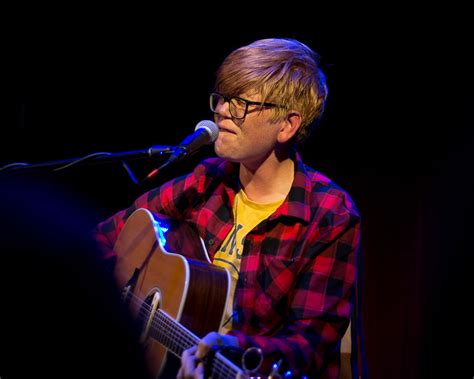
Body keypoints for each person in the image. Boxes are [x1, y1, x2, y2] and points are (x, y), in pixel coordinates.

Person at [92, 38, 361, 378]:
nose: (221, 111)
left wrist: (242, 351)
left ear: (287, 125)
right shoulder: (207, 181)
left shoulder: (329, 214)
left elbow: (310, 344)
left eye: (242, 103)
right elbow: (100, 240)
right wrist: (127, 304)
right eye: (222, 98)